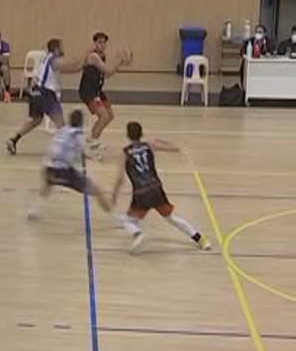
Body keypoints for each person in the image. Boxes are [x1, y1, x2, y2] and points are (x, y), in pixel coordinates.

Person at [111, 121, 212, 254]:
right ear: (141, 133)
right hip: (156, 189)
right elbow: (173, 148)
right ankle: (200, 239)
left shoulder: (124, 153)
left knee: (128, 221)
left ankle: (138, 234)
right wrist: (168, 143)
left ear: (127, 135)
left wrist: (114, 195)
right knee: (172, 219)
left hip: (140, 192)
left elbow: (120, 179)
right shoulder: (149, 145)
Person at [27, 110, 113, 220]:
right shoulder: (78, 134)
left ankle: (34, 209)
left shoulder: (63, 131)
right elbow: (83, 151)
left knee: (48, 186)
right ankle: (117, 217)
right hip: (63, 171)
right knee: (97, 190)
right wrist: (95, 157)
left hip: (48, 167)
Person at [6, 38, 86, 155]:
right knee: (60, 124)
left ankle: (13, 139)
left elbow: (73, 67)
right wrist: (85, 56)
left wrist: (82, 64)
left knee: (36, 120)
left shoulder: (46, 58)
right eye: (62, 47)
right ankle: (67, 150)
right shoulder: (54, 60)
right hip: (46, 93)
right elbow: (72, 68)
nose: (63, 49)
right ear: (56, 49)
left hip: (36, 92)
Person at [79, 32, 132, 157]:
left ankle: (92, 140)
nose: (102, 45)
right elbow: (108, 71)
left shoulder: (102, 56)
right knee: (103, 116)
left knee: (110, 116)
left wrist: (124, 61)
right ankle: (92, 145)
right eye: (99, 42)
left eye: (104, 42)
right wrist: (120, 61)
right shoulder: (93, 56)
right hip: (88, 91)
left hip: (97, 90)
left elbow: (108, 74)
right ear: (95, 43)